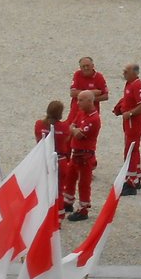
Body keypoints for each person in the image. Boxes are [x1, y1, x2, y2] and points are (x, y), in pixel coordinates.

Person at [113, 62, 141, 195]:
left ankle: (131, 181)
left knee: (130, 149)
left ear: (134, 73)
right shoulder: (129, 84)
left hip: (133, 122)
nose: (124, 73)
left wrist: (130, 113)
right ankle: (136, 177)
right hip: (129, 121)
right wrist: (120, 107)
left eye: (126, 71)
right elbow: (128, 99)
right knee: (133, 148)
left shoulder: (137, 85)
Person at [64, 89, 101, 220]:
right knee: (70, 177)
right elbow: (72, 126)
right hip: (76, 153)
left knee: (84, 183)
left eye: (80, 100)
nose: (77, 102)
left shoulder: (94, 119)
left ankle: (83, 209)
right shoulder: (82, 113)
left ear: (90, 101)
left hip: (85, 156)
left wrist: (74, 129)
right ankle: (68, 202)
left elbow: (79, 134)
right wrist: (74, 129)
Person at [34, 99, 72, 216]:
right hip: (60, 160)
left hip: (44, 160)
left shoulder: (39, 124)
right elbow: (66, 140)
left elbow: (37, 140)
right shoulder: (64, 127)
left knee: (44, 188)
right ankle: (59, 216)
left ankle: (44, 214)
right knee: (59, 190)